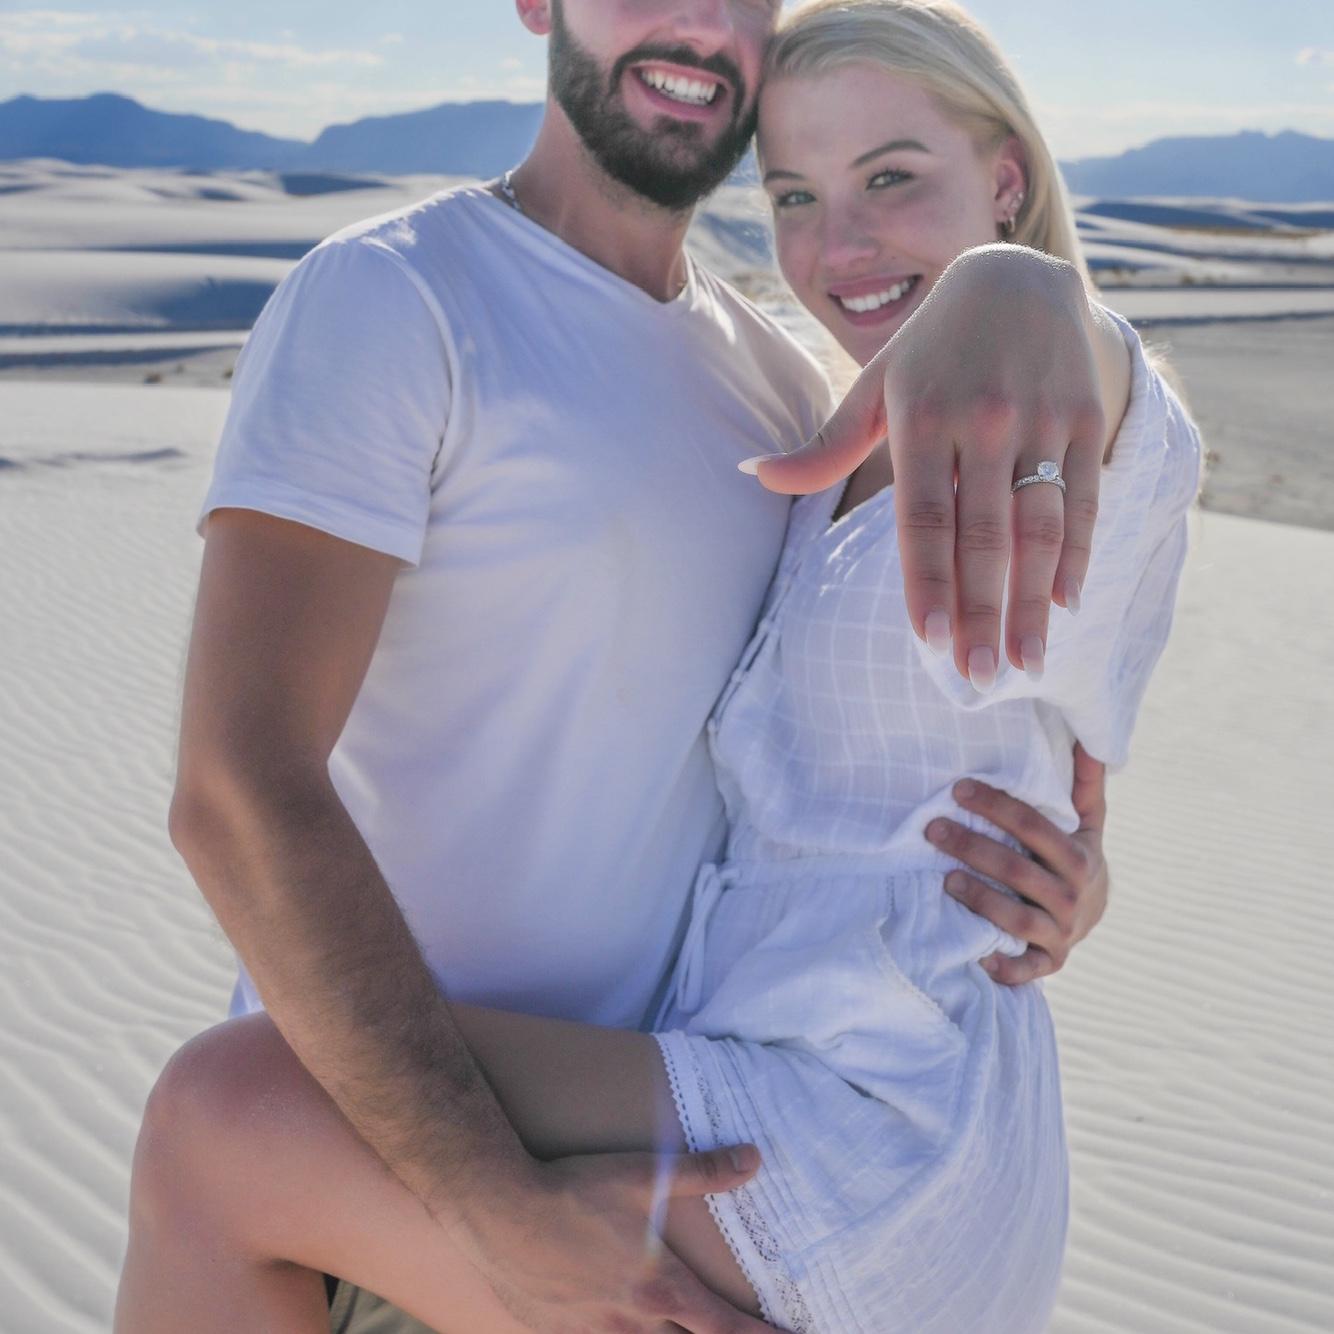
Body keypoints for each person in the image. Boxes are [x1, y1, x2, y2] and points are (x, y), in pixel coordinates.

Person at [112, 1, 1148, 1331]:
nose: (695, 19)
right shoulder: (396, 295)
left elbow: (831, 758)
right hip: (402, 1176)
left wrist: (1054, 884)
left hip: (673, 1178)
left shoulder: (788, 399)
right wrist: (488, 1201)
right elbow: (236, 790)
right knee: (207, 1126)